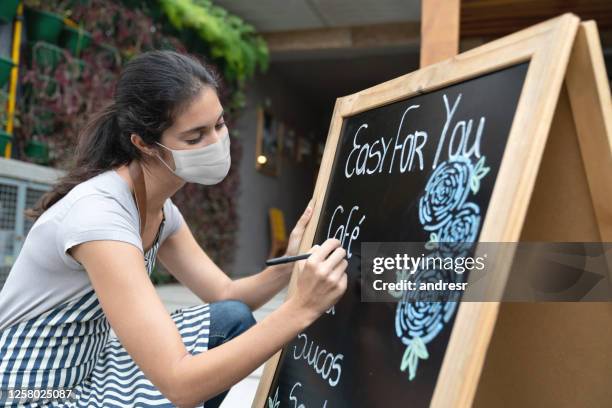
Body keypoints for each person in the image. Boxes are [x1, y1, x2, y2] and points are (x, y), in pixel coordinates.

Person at [0, 50, 348, 407]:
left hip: (86, 371)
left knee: (230, 319)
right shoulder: (100, 217)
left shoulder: (159, 208)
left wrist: (288, 266)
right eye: (194, 137)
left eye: (219, 124)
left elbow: (226, 294)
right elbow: (179, 384)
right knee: (185, 379)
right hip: (28, 391)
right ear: (144, 144)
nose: (215, 143)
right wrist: (301, 309)